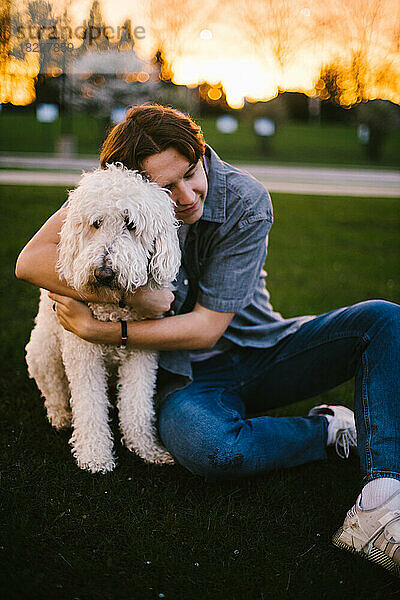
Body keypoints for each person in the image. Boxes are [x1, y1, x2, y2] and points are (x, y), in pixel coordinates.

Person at [15, 104, 399, 576]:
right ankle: (327, 431)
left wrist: (111, 325)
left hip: (262, 349)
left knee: (383, 320)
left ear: (200, 155)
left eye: (191, 174)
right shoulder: (115, 195)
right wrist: (118, 290)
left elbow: (207, 327)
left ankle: (382, 496)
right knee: (209, 448)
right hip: (182, 372)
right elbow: (29, 260)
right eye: (166, 187)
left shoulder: (245, 198)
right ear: (136, 185)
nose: (187, 195)